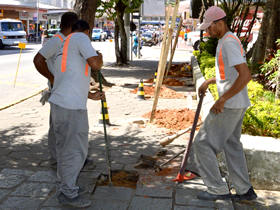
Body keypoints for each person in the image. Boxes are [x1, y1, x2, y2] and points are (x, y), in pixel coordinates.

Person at [182, 6, 257, 202]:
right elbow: (230, 74)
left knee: (202, 144)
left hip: (230, 105)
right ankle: (244, 190)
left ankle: (217, 189)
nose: (207, 32)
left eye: (209, 27)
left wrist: (222, 99)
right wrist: (209, 81)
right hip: (237, 104)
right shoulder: (227, 40)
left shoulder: (228, 43)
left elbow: (245, 75)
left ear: (220, 23)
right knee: (232, 145)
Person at [49, 19, 104, 208]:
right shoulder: (81, 37)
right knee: (74, 152)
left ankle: (66, 186)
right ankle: (68, 193)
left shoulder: (64, 43)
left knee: (65, 150)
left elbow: (69, 77)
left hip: (61, 104)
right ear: (88, 31)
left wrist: (89, 94)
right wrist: (100, 56)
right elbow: (95, 64)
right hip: (71, 108)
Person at [33, 12, 79, 168]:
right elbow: (38, 60)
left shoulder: (66, 40)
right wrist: (52, 78)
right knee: (58, 126)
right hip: (59, 90)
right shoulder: (57, 40)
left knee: (69, 125)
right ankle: (57, 159)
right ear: (72, 26)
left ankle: (70, 156)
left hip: (68, 90)